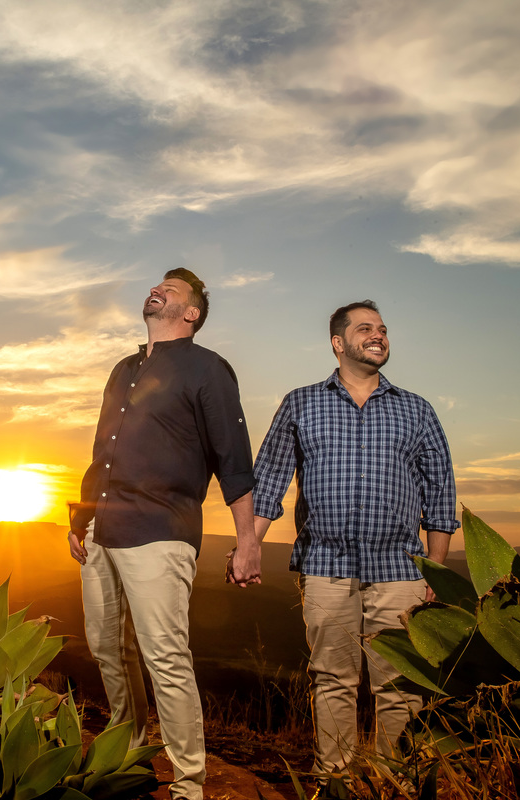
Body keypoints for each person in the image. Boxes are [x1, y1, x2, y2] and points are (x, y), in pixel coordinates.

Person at [67, 268, 261, 800]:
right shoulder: (122, 369)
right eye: (158, 286)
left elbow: (234, 461)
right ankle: (126, 755)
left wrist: (248, 542)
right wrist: (79, 517)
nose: (158, 289)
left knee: (165, 658)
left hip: (161, 531)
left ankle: (189, 785)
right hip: (102, 530)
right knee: (108, 648)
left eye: (172, 290)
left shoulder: (208, 369)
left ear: (191, 313)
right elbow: (102, 452)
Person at [248, 300, 458, 776]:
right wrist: (248, 545)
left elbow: (440, 493)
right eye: (365, 328)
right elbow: (270, 480)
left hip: (401, 570)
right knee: (332, 680)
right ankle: (336, 782)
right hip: (325, 565)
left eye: (382, 328)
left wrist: (437, 573)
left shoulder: (416, 410)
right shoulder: (301, 402)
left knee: (401, 683)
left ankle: (392, 783)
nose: (378, 334)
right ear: (338, 343)